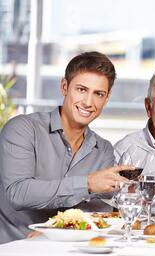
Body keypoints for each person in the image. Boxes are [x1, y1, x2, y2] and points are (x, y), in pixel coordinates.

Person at [0, 51, 132, 244]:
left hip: (69, 253)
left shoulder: (103, 149)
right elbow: (18, 193)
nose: (88, 102)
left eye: (98, 94)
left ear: (107, 98)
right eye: (81, 89)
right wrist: (86, 184)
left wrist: (56, 230)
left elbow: (100, 211)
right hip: (13, 250)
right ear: (64, 87)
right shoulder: (22, 129)